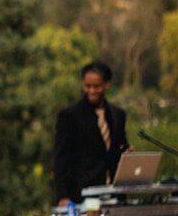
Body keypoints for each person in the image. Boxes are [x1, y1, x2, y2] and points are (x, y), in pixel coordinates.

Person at [52, 59, 129, 205]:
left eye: (97, 86)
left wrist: (127, 153)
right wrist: (63, 196)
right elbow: (60, 159)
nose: (91, 91)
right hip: (83, 194)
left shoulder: (118, 115)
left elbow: (120, 147)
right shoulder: (70, 115)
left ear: (107, 84)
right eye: (88, 86)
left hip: (114, 194)